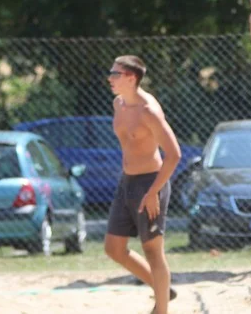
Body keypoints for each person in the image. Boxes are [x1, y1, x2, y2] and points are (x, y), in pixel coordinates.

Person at [103, 55, 183, 314]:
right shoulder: (119, 104)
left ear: (131, 78)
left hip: (150, 183)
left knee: (153, 251)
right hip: (126, 181)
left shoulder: (148, 110)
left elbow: (174, 155)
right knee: (113, 248)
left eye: (115, 74)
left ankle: (161, 309)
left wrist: (153, 193)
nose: (110, 78)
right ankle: (162, 290)